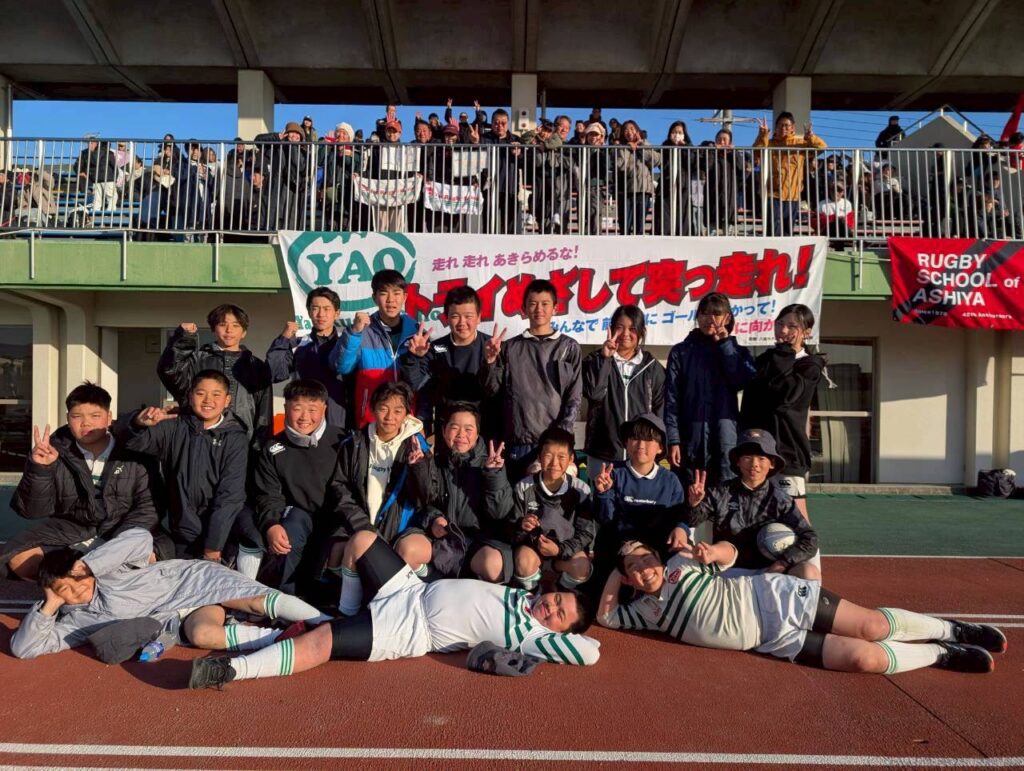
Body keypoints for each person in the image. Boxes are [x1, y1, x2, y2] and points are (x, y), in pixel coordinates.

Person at [188, 529, 599, 689]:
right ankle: (345, 612)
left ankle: (231, 671)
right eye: (556, 600)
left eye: (559, 615)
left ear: (558, 631)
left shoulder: (531, 636)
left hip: (408, 627)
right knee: (362, 540)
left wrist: (565, 634)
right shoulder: (523, 596)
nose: (551, 607)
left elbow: (589, 652)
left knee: (322, 641)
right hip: (411, 589)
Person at [597, 539, 1004, 675]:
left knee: (873, 628)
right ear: (629, 579)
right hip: (772, 640)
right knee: (866, 659)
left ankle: (952, 629)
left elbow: (731, 553)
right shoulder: (644, 613)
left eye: (646, 558)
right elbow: (605, 617)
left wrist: (712, 552)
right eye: (634, 568)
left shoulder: (680, 563)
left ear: (658, 557)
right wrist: (616, 571)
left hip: (774, 598)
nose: (644, 568)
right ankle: (940, 653)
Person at [11, 528, 330, 661]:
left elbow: (140, 538)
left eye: (77, 579)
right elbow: (24, 649)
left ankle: (328, 623)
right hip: (178, 618)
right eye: (64, 590)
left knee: (253, 601)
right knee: (203, 635)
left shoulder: (106, 569)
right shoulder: (76, 621)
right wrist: (48, 606)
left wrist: (90, 564)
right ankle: (283, 638)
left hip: (194, 581)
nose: (77, 589)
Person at [2, 383, 161, 580]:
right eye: (77, 416)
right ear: (68, 419)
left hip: (122, 532)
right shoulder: (53, 450)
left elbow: (148, 508)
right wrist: (40, 469)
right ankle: (78, 581)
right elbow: (31, 511)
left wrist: (118, 543)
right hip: (70, 531)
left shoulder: (135, 451)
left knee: (151, 557)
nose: (85, 423)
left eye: (95, 416)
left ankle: (82, 578)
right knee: (20, 559)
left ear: (109, 418)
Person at [115, 370, 263, 576]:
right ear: (190, 396)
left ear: (227, 400)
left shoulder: (235, 437)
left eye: (216, 394)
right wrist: (137, 422)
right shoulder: (173, 427)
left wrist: (213, 547)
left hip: (221, 534)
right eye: (201, 393)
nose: (208, 400)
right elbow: (130, 441)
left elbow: (230, 495)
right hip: (181, 528)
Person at [329, 381, 434, 612]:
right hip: (361, 524)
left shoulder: (416, 446)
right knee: (341, 551)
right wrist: (363, 526)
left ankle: (410, 603)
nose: (390, 417)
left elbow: (425, 498)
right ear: (373, 409)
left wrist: (418, 467)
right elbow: (340, 487)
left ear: (407, 413)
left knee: (408, 551)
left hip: (401, 528)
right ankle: (348, 610)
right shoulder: (355, 443)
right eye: (384, 408)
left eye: (398, 410)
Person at [399, 402, 516, 583]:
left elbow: (499, 512)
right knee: (407, 549)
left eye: (468, 429)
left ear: (477, 433)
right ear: (444, 431)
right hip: (441, 540)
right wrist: (434, 519)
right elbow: (423, 502)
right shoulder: (435, 462)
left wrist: (494, 475)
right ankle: (431, 581)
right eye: (454, 428)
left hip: (477, 544)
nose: (461, 434)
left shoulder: (490, 464)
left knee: (494, 565)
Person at [253, 380, 349, 596]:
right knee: (289, 530)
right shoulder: (273, 448)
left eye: (312, 409)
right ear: (286, 407)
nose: (305, 417)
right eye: (297, 408)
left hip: (338, 518)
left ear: (324, 408)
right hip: (300, 518)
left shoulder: (343, 441)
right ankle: (284, 599)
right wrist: (271, 524)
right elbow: (268, 495)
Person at [479, 278, 582, 481]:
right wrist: (490, 361)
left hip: (554, 447)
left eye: (545, 304)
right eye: (533, 304)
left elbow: (574, 397)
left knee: (553, 499)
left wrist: (559, 439)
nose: (539, 309)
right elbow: (492, 391)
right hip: (518, 444)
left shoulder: (569, 347)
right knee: (519, 498)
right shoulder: (509, 348)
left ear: (555, 308)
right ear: (524, 309)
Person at [685, 428, 819, 580]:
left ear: (772, 463)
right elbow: (692, 521)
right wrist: (694, 504)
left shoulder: (781, 500)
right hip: (728, 571)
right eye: (747, 458)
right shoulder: (720, 493)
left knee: (809, 572)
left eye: (761, 458)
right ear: (738, 461)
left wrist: (782, 563)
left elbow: (810, 538)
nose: (754, 464)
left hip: (769, 573)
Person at [740, 304, 826, 530]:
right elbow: (749, 400)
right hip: (758, 451)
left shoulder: (810, 365)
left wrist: (784, 354)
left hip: (789, 452)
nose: (783, 331)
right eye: (780, 324)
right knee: (757, 513)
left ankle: (809, 553)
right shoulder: (766, 360)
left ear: (806, 332)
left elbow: (786, 397)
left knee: (796, 516)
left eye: (792, 326)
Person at [665, 292, 755, 486]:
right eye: (704, 313)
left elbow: (741, 381)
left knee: (725, 492)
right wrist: (673, 440)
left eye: (716, 314)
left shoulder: (738, 351)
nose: (710, 319)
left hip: (725, 438)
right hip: (690, 438)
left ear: (727, 318)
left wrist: (725, 345)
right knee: (689, 492)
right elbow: (671, 399)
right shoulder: (681, 352)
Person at [157, 303, 273, 451]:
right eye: (222, 324)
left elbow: (264, 413)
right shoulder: (197, 360)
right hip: (197, 441)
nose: (229, 330)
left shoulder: (256, 366)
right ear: (213, 329)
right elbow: (169, 370)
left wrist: (259, 448)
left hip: (242, 444)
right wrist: (183, 339)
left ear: (244, 332)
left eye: (236, 325)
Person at [590, 413, 687, 578]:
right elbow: (605, 519)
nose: (641, 445)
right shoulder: (612, 474)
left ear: (660, 447)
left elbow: (679, 517)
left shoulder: (670, 480)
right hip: (618, 552)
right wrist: (603, 493)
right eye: (635, 438)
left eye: (648, 440)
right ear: (626, 443)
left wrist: (682, 528)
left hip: (656, 555)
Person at [399, 285, 497, 437]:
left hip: (484, 430)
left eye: (468, 316)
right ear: (446, 318)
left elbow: (495, 390)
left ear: (479, 317)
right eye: (455, 316)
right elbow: (416, 384)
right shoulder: (438, 348)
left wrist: (490, 361)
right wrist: (415, 358)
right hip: (448, 430)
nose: (462, 322)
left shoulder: (492, 347)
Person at [510, 427, 595, 593]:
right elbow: (512, 531)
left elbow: (585, 533)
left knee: (582, 567)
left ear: (571, 459)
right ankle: (533, 593)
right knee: (523, 561)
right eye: (548, 455)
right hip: (534, 551)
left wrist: (559, 550)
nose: (554, 463)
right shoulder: (524, 487)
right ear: (539, 456)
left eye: (561, 457)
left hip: (565, 552)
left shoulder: (581, 489)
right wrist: (522, 526)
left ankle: (561, 591)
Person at [582, 304, 665, 474]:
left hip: (640, 455)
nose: (625, 334)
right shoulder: (594, 360)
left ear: (641, 332)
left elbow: (660, 412)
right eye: (619, 328)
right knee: (602, 491)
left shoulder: (653, 368)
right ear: (611, 330)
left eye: (632, 329)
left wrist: (654, 449)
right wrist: (605, 359)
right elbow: (593, 394)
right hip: (603, 453)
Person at [337, 269, 420, 428]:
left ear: (405, 297)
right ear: (374, 297)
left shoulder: (416, 332)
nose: (391, 300)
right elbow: (343, 367)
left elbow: (423, 383)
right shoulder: (361, 331)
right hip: (371, 420)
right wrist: (354, 333)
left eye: (396, 293)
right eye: (383, 293)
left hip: (407, 421)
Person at [267, 287, 347, 429]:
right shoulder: (298, 344)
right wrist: (284, 338)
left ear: (337, 313)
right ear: (309, 312)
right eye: (315, 308)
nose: (321, 314)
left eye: (327, 309)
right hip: (304, 422)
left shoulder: (347, 345)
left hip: (339, 420)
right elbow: (275, 373)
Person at [753, 113, 827, 236]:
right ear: (776, 127)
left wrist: (811, 137)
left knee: (788, 229)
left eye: (787, 125)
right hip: (773, 193)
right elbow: (757, 153)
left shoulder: (800, 143)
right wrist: (762, 135)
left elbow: (822, 147)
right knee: (773, 228)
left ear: (793, 127)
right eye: (781, 125)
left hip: (793, 194)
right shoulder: (770, 143)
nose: (784, 128)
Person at [614, 120, 658, 235]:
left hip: (644, 190)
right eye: (626, 130)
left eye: (632, 129)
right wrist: (627, 149)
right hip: (627, 190)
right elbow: (621, 166)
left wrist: (641, 146)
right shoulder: (621, 147)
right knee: (625, 227)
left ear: (638, 131)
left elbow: (656, 161)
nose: (629, 132)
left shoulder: (646, 144)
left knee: (640, 226)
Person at [654, 121, 691, 236]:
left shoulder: (689, 147)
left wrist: (684, 147)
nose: (677, 135)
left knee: (681, 216)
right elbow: (661, 165)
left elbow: (692, 162)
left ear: (684, 134)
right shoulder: (664, 147)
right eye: (674, 132)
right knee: (663, 216)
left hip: (682, 187)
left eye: (680, 132)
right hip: (666, 186)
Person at [76, 137, 119, 213]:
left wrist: (83, 172)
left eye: (91, 143)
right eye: (89, 143)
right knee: (110, 197)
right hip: (107, 178)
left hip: (96, 178)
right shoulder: (108, 153)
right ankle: (110, 213)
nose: (89, 145)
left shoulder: (87, 153)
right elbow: (114, 167)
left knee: (97, 198)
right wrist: (115, 177)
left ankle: (96, 213)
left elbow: (79, 166)